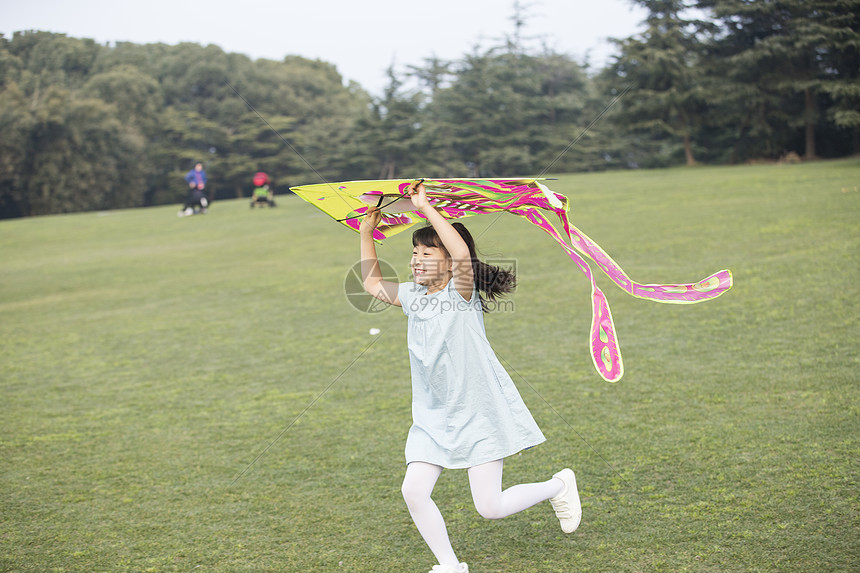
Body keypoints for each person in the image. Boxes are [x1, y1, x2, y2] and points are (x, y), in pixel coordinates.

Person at [359, 181, 581, 573]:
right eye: (414, 252)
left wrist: (426, 208)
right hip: (433, 415)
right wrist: (366, 232)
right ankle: (450, 566)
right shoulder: (414, 296)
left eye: (427, 253)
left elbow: (462, 254)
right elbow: (372, 284)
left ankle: (558, 486)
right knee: (412, 490)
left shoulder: (462, 294)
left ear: (447, 263)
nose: (416, 260)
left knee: (490, 507)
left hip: (478, 410)